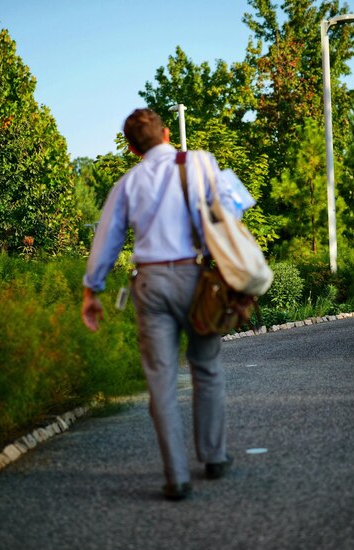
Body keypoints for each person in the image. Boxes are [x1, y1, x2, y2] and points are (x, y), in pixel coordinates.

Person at [81, 108, 254, 500]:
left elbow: (106, 239)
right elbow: (234, 209)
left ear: (130, 147)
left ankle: (176, 476)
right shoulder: (199, 162)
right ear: (165, 135)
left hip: (150, 283)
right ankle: (214, 456)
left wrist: (93, 291)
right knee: (206, 367)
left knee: (160, 380)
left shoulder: (127, 183)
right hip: (197, 280)